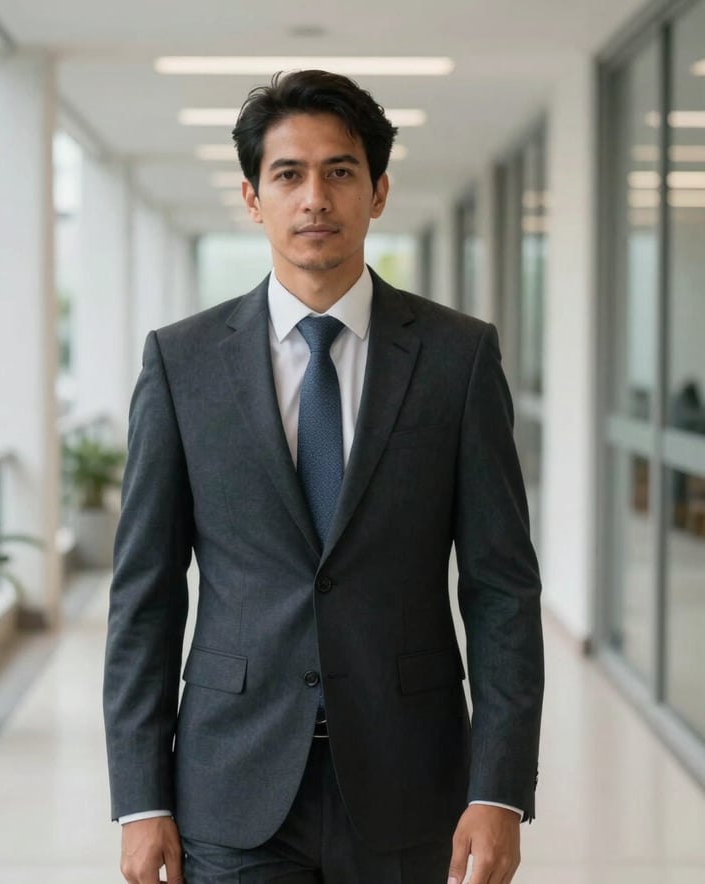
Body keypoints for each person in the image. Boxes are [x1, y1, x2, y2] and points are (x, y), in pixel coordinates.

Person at [104, 69, 544, 884]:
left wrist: (501, 789)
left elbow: (502, 589)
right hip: (230, 782)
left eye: (340, 173)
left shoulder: (458, 357)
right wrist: (140, 798)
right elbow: (145, 593)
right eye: (289, 175)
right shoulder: (182, 362)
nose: (315, 198)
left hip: (412, 781)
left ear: (377, 193)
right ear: (251, 197)